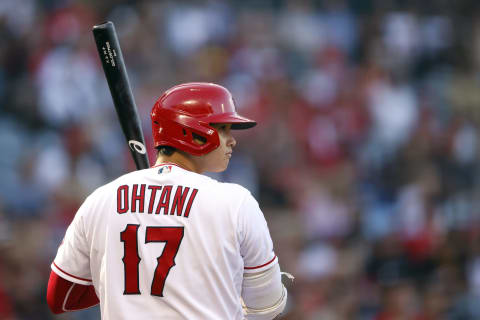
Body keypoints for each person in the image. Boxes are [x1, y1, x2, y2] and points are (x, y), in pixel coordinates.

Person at [46, 82, 288, 319]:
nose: (232, 140)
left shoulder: (100, 199)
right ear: (192, 131)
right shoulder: (236, 202)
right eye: (223, 129)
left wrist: (124, 279)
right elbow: (267, 307)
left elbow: (61, 297)